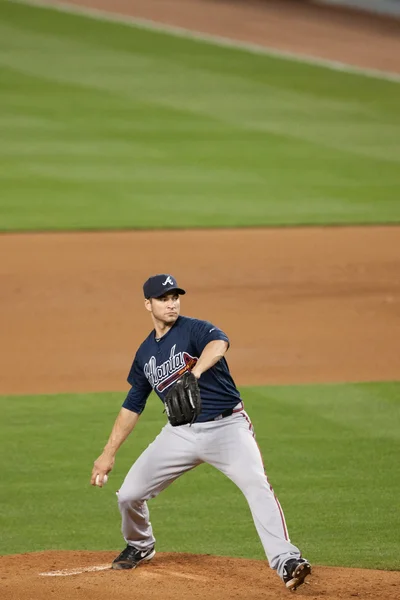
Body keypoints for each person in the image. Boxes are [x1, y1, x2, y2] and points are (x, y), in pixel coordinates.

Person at [91, 274, 311, 590]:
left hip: (228, 428)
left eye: (175, 297)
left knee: (257, 485)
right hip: (180, 434)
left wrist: (193, 372)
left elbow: (219, 344)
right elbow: (132, 406)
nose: (171, 303)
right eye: (163, 299)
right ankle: (141, 544)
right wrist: (107, 454)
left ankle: (287, 562)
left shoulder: (194, 329)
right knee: (128, 495)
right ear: (148, 304)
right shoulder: (144, 355)